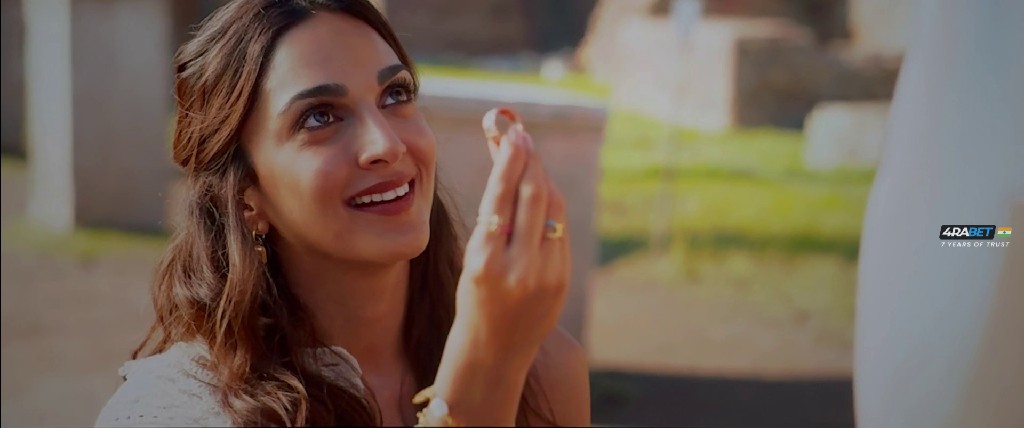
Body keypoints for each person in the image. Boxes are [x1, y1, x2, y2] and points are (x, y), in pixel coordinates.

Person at [94, 0, 590, 426]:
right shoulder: (176, 411)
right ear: (246, 197)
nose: (386, 145)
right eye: (320, 117)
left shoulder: (543, 372)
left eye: (395, 95)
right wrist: (484, 375)